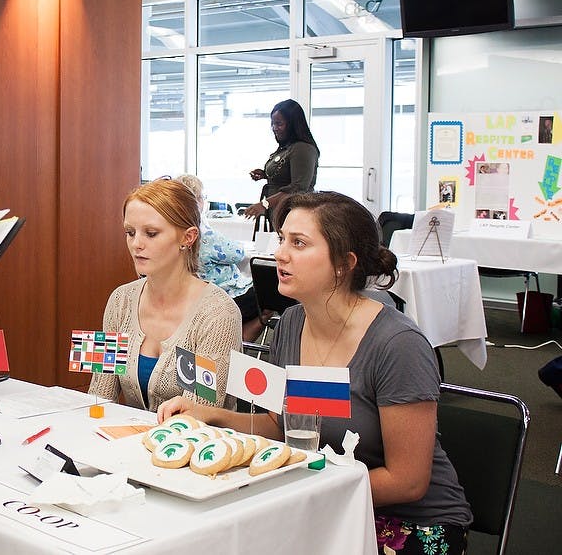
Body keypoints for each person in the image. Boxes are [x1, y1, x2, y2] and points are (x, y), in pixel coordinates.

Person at [159, 191, 471, 554]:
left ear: (344, 263)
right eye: (281, 240)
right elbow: (282, 427)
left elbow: (408, 481)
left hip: (407, 521)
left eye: (299, 243)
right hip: (322, 499)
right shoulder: (291, 322)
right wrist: (212, 415)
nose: (280, 254)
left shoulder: (398, 344)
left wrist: (306, 492)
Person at [89, 178, 241, 412]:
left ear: (187, 237)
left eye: (151, 233)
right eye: (130, 232)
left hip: (192, 444)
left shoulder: (218, 313)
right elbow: (100, 395)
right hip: (129, 441)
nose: (136, 244)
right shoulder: (120, 300)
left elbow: (198, 412)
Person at [176, 174, 265, 342]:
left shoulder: (173, 233)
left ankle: (237, 336)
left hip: (194, 301)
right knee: (269, 287)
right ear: (197, 201)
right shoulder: (204, 235)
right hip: (227, 296)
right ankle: (247, 333)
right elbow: (237, 253)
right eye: (202, 197)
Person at [244, 99, 319, 226]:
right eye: (272, 124)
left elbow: (298, 188)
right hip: (279, 213)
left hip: (293, 214)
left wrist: (264, 204)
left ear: (293, 124)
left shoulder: (302, 148)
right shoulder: (287, 147)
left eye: (279, 124)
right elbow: (287, 174)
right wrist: (265, 175)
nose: (274, 128)